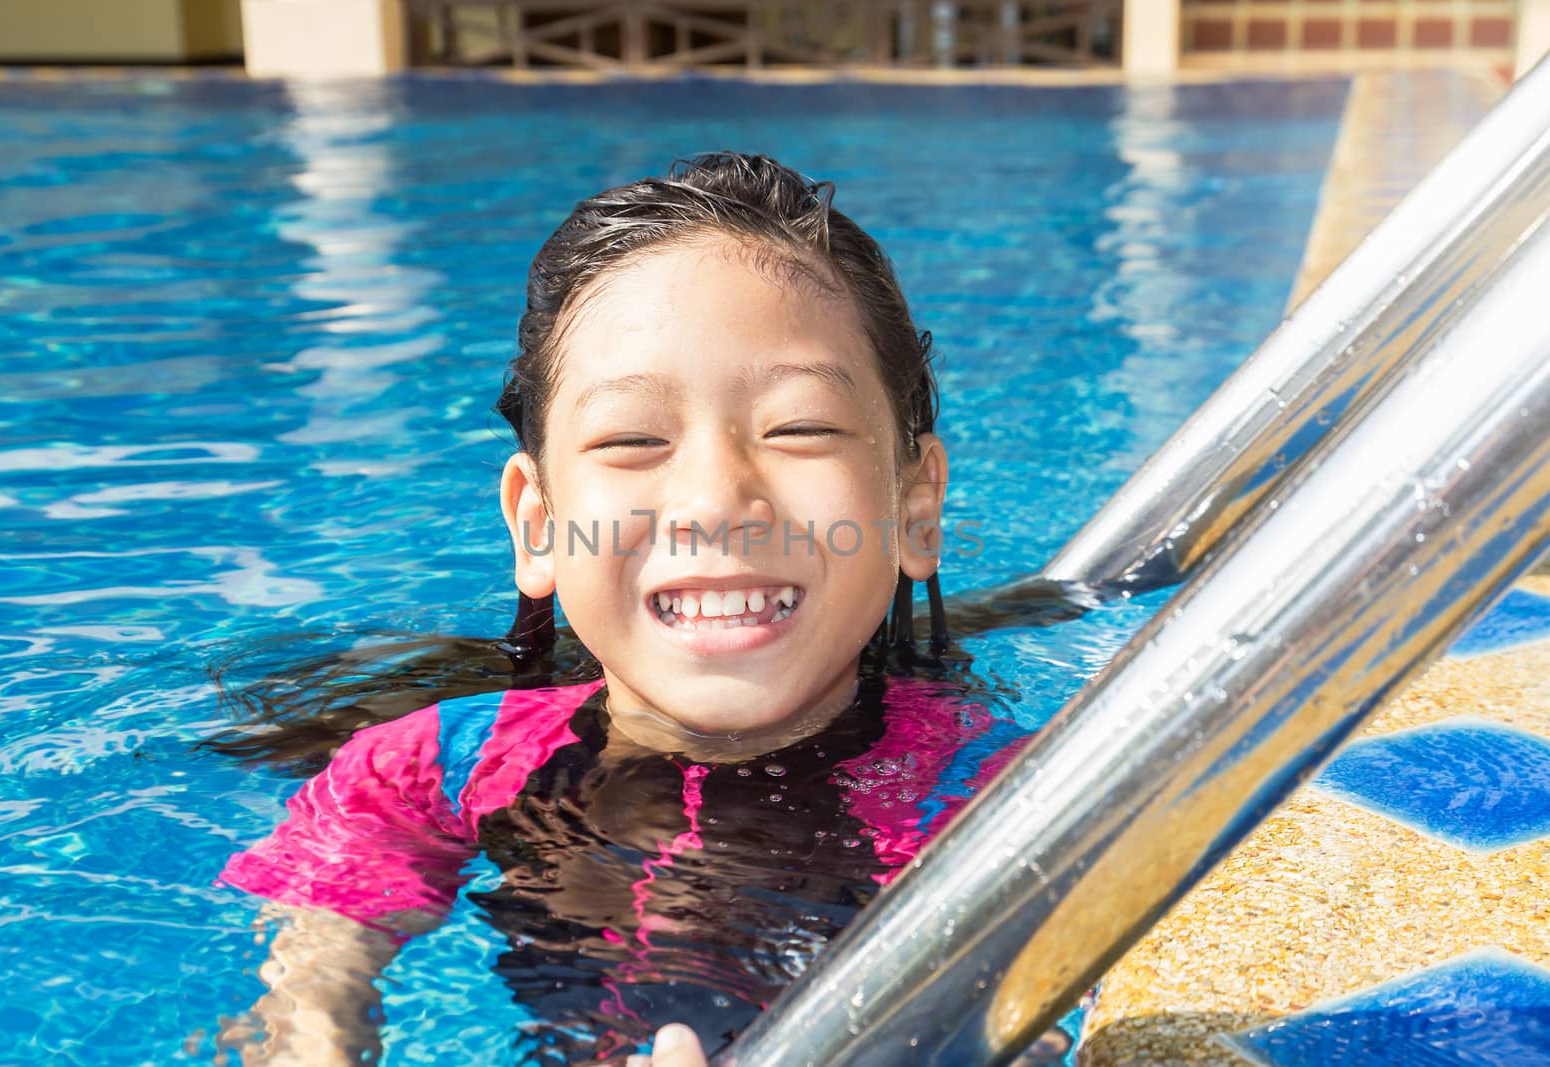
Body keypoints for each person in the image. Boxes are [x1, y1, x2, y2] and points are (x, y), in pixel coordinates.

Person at [205, 151, 1054, 1066]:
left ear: (915, 507)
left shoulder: (1010, 802)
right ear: (538, 526)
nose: (716, 497)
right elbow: (303, 1015)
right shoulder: (421, 772)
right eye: (632, 438)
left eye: (799, 426)